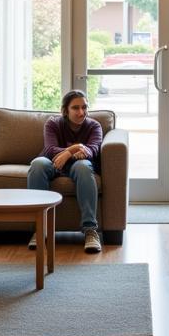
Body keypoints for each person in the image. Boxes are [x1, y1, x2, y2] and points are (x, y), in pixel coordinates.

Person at [27, 89, 103, 254]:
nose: (81, 112)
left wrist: (68, 153)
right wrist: (76, 147)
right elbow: (49, 150)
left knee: (83, 166)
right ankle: (40, 229)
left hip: (79, 165)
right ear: (65, 111)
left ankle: (90, 230)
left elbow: (93, 150)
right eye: (75, 108)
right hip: (52, 164)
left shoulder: (94, 126)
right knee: (38, 164)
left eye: (84, 107)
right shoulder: (53, 123)